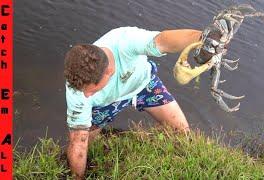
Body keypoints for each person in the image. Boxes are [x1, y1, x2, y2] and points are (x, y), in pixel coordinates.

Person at [64, 26, 201, 179]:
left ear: (109, 71)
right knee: (83, 143)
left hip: (143, 85)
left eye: (92, 90)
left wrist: (203, 39)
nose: (87, 95)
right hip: (104, 104)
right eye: (83, 91)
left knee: (182, 132)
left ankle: (189, 165)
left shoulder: (124, 40)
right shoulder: (76, 90)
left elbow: (163, 41)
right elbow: (78, 141)